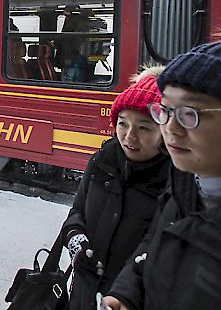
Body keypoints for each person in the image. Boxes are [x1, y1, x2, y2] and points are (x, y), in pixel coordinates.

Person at [104, 23, 221, 310]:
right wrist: (128, 294)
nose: (171, 128)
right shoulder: (184, 182)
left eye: (191, 114)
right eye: (164, 110)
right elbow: (153, 245)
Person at [62, 68, 170, 310]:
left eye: (144, 127)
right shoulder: (102, 161)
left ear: (164, 132)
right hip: (83, 293)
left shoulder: (175, 183)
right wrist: (76, 241)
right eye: (123, 124)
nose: (129, 136)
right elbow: (76, 214)